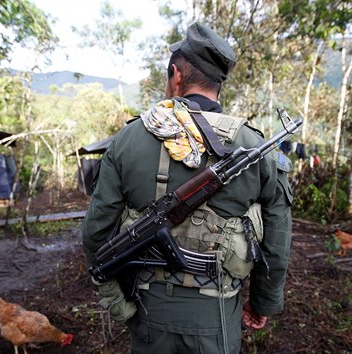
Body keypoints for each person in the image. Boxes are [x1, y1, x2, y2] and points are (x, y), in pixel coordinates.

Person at [83, 22, 294, 354]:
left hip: (148, 310)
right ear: (218, 83)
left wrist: (117, 299)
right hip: (218, 315)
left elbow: (96, 232)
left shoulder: (128, 139)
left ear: (176, 75)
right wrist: (263, 303)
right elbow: (277, 246)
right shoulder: (255, 146)